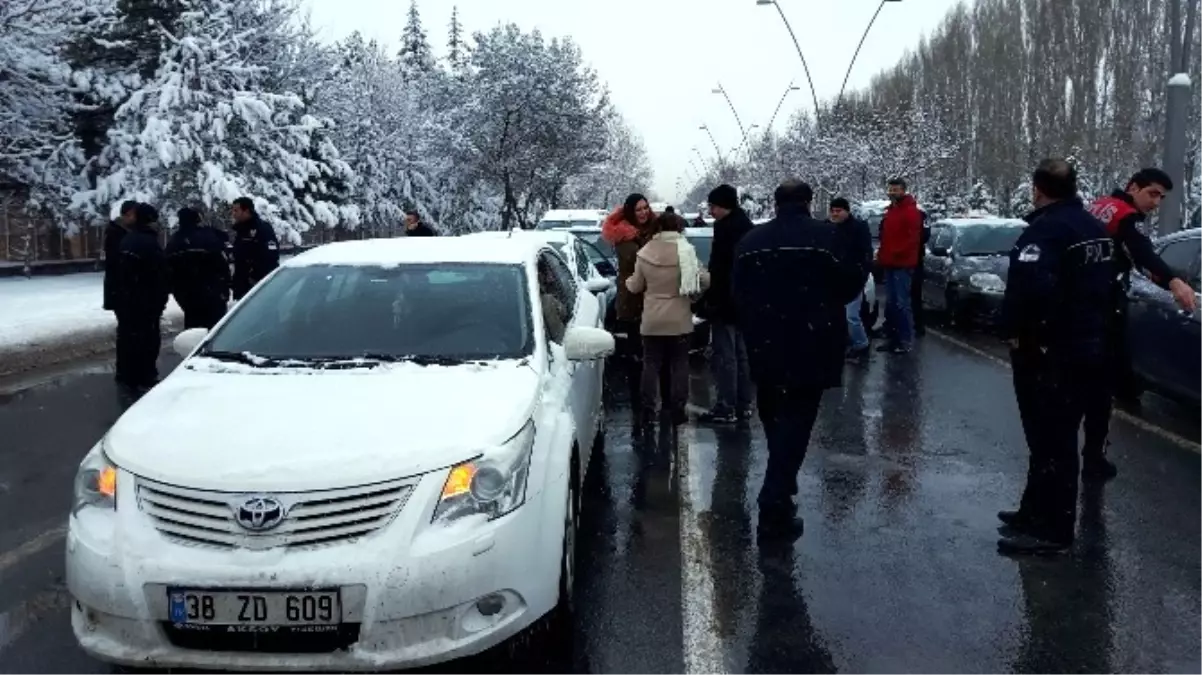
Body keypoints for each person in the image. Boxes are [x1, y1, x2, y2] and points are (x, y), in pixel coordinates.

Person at [997, 159, 1116, 555]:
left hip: (1050, 352)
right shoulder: (1093, 228)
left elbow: (1030, 291)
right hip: (1085, 346)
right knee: (1049, 439)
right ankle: (1033, 511)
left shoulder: (1046, 231)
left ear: (1037, 189)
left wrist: (1016, 332)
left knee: (1052, 439)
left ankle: (1053, 529)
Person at [732, 180, 863, 536]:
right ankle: (774, 498)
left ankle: (781, 490)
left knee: (775, 417)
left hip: (765, 343)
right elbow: (851, 284)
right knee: (798, 420)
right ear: (808, 202)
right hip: (813, 340)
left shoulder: (751, 242)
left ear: (775, 204)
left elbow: (737, 292)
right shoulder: (828, 239)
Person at [1082, 168, 1199, 479]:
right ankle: (1092, 459)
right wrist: (1174, 282)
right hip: (1101, 310)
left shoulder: (1100, 206)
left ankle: (1070, 460)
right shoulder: (1125, 216)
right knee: (1099, 391)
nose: (1157, 202)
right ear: (1133, 187)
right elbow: (1143, 253)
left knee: (1077, 389)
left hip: (1081, 309)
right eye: (1152, 193)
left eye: (1162, 197)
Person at [625, 212, 710, 429]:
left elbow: (635, 286)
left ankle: (647, 409)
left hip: (652, 318)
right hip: (679, 317)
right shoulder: (686, 252)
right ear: (679, 228)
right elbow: (705, 279)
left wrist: (627, 281)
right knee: (679, 364)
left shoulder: (645, 252)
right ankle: (677, 409)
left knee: (651, 364)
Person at [697, 184, 755, 423]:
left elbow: (722, 271)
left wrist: (714, 301)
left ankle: (726, 405)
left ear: (725, 206)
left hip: (726, 302)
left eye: (713, 206)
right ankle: (743, 403)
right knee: (741, 355)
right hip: (744, 302)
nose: (710, 211)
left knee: (725, 356)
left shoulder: (727, 230)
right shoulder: (746, 228)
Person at [114, 203, 170, 392]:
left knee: (127, 337)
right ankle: (144, 375)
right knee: (147, 339)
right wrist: (159, 300)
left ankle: (127, 374)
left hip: (127, 299)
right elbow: (158, 275)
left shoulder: (127, 240)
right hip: (144, 302)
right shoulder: (149, 243)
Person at [601, 193, 654, 355]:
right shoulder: (623, 235)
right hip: (634, 299)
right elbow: (642, 260)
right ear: (631, 212)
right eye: (638, 210)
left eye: (645, 208)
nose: (643, 212)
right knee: (638, 349)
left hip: (653, 298)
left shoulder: (653, 228)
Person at [876, 178, 923, 353]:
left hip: (902, 263)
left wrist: (896, 252)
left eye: (896, 189)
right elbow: (886, 236)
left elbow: (912, 238)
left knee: (901, 303)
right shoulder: (891, 211)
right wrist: (882, 254)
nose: (892, 192)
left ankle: (904, 340)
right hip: (889, 262)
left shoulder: (911, 212)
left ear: (903, 190)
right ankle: (893, 338)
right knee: (891, 303)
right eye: (891, 189)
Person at [166, 207, 231, 329]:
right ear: (197, 219)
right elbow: (222, 264)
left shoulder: (174, 242)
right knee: (217, 330)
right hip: (212, 294)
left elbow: (169, 271)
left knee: (193, 331)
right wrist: (224, 289)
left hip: (188, 297)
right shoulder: (209, 236)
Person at [830, 198, 874, 359]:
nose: (835, 214)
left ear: (847, 211)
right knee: (840, 315)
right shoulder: (828, 228)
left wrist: (862, 272)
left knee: (851, 315)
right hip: (835, 278)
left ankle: (861, 344)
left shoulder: (858, 228)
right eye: (833, 211)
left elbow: (866, 253)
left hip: (852, 278)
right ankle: (848, 343)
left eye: (838, 211)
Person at [230, 197, 279, 300]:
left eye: (236, 210)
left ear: (246, 211)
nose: (233, 214)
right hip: (243, 288)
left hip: (260, 287)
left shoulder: (262, 229)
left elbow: (271, 258)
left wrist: (254, 278)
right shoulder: (241, 230)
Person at [103, 201, 138, 313]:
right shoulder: (116, 233)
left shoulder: (126, 232)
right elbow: (115, 262)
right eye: (132, 214)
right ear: (125, 215)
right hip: (121, 288)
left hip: (125, 288)